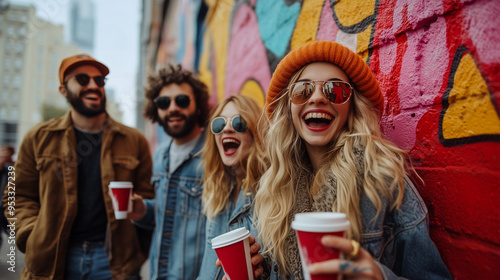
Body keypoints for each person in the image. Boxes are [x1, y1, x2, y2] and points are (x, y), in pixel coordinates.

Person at [254, 41, 452, 279]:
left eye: (335, 90)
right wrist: (261, 271)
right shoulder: (275, 187)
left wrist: (379, 276)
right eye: (302, 90)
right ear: (288, 108)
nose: (317, 98)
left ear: (352, 107)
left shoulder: (383, 181)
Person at [1, 54, 154, 280]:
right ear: (63, 90)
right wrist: (31, 234)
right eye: (82, 79)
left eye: (100, 81)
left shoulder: (134, 140)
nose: (93, 85)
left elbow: (149, 199)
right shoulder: (38, 137)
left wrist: (138, 244)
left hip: (115, 264)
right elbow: (16, 195)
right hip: (53, 261)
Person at [131, 64, 211, 280]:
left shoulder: (214, 155)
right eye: (164, 102)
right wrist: (143, 211)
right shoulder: (159, 154)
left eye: (182, 100)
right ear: (155, 109)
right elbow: (169, 210)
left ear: (198, 105)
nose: (173, 108)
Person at [197, 95, 267, 279]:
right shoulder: (216, 191)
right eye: (219, 124)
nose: (227, 128)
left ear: (255, 132)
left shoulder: (271, 193)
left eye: (239, 123)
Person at [0, 145, 15, 245]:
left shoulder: (15, 166)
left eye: (5, 152)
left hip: (10, 205)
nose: (3, 154)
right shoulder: (1, 167)